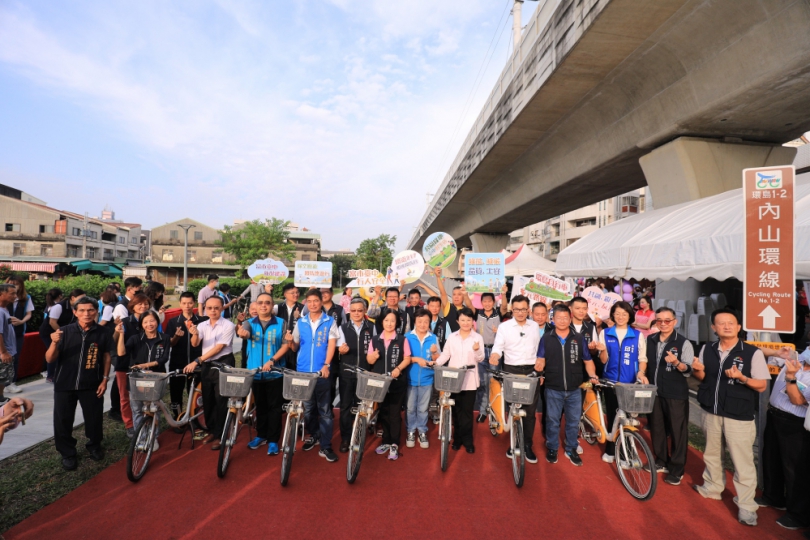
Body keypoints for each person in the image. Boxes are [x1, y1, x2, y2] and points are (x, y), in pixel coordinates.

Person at [691, 308, 770, 527]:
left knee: (742, 461)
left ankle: (746, 506)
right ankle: (712, 487)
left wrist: (742, 377)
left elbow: (761, 385)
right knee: (712, 453)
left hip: (739, 415)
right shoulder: (707, 348)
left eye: (731, 323)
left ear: (738, 327)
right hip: (711, 410)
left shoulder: (752, 352)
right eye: (721, 323)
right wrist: (697, 369)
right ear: (713, 327)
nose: (726, 326)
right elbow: (703, 377)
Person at [45, 296, 113, 471]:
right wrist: (54, 342)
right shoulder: (64, 332)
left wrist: (105, 379)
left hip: (91, 383)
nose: (86, 314)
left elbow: (106, 356)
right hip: (64, 384)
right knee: (63, 420)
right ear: (75, 312)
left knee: (94, 418)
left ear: (96, 311)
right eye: (81, 310)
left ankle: (94, 446)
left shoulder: (103, 332)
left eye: (90, 310)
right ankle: (67, 453)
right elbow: (50, 359)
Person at [536, 304, 598, 466]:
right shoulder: (546, 338)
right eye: (559, 318)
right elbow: (541, 359)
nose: (562, 321)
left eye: (565, 318)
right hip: (552, 387)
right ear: (553, 319)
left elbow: (588, 361)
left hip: (575, 388)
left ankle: (571, 448)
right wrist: (539, 368)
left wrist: (592, 375)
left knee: (573, 421)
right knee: (552, 420)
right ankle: (552, 447)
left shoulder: (579, 338)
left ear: (570, 319)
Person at [756, 348, 810, 530]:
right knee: (771, 458)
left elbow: (797, 400)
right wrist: (776, 352)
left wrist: (791, 377)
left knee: (794, 469)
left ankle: (797, 515)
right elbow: (757, 352)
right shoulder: (795, 359)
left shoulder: (794, 370)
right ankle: (773, 496)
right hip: (774, 415)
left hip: (796, 424)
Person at [489, 295, 542, 463]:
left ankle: (527, 445)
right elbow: (498, 346)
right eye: (517, 309)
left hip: (531, 371)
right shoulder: (504, 327)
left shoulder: (534, 326)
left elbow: (539, 349)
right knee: (513, 408)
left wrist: (541, 372)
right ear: (512, 309)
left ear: (528, 310)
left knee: (530, 411)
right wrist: (495, 356)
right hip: (511, 370)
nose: (520, 312)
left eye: (523, 309)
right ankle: (514, 443)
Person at [593, 301, 648, 462]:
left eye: (624, 314)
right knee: (612, 415)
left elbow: (642, 358)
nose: (621, 317)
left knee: (628, 418)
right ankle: (611, 450)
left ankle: (627, 452)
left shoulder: (637, 335)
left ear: (630, 316)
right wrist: (603, 350)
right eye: (617, 313)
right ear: (612, 315)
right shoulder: (605, 333)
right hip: (610, 382)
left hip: (630, 383)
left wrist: (641, 373)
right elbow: (603, 360)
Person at [289, 289, 340, 462]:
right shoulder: (301, 322)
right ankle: (315, 434)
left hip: (321, 372)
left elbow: (331, 345)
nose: (312, 304)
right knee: (309, 409)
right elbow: (295, 346)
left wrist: (326, 364)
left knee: (325, 410)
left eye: (315, 301)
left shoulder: (329, 321)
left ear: (321, 302)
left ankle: (326, 446)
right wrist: (290, 341)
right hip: (303, 372)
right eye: (309, 301)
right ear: (306, 303)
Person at [646, 306, 694, 486]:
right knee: (657, 427)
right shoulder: (650, 339)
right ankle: (661, 460)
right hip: (654, 392)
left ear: (675, 322)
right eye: (659, 320)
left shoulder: (683, 342)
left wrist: (677, 363)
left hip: (675, 394)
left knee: (677, 431)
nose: (663, 324)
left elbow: (688, 370)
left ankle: (676, 469)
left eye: (667, 320)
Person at [238, 292, 289, 455]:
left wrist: (272, 360)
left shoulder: (281, 323)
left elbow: (286, 345)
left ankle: (273, 440)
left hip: (275, 374)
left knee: (275, 408)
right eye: (260, 303)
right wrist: (243, 334)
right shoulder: (249, 323)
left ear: (272, 305)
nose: (263, 305)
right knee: (260, 407)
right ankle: (261, 435)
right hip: (256, 373)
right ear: (256, 305)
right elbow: (244, 332)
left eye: (267, 302)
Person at [183, 295, 236, 451]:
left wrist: (197, 361)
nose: (213, 311)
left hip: (223, 363)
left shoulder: (228, 325)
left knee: (221, 400)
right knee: (208, 399)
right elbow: (195, 344)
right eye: (209, 308)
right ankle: (212, 430)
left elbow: (219, 348)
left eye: (216, 308)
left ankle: (221, 434)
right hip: (207, 364)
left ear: (222, 308)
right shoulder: (202, 325)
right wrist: (194, 333)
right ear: (205, 308)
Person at [116, 311, 171, 451]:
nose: (149, 324)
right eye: (145, 322)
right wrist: (121, 334)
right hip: (137, 380)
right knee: (137, 410)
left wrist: (145, 365)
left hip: (156, 379)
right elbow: (121, 353)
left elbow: (163, 359)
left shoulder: (164, 338)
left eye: (152, 321)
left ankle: (153, 437)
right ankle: (141, 437)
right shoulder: (135, 339)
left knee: (154, 409)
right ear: (141, 324)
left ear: (157, 321)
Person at [435, 307, 484, 453]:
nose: (466, 322)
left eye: (468, 320)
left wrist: (477, 350)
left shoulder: (477, 338)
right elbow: (446, 354)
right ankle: (457, 439)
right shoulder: (452, 337)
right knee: (455, 411)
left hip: (470, 380)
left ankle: (468, 440)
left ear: (472, 321)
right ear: (457, 321)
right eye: (463, 320)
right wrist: (435, 363)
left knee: (467, 412)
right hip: (453, 380)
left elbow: (481, 358)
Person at [367, 311, 411, 461]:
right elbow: (369, 360)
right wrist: (373, 357)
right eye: (386, 320)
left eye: (392, 321)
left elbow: (407, 358)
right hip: (380, 382)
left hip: (397, 383)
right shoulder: (375, 339)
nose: (389, 323)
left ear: (397, 323)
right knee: (383, 412)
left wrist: (398, 369)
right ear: (382, 322)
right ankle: (386, 441)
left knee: (394, 413)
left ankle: (394, 443)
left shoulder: (402, 339)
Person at [336, 297, 375, 453]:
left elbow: (375, 348)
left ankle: (358, 435)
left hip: (365, 373)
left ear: (365, 311)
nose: (357, 313)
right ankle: (346, 438)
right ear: (349, 311)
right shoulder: (342, 328)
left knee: (362, 406)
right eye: (353, 310)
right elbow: (339, 347)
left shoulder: (372, 327)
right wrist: (341, 350)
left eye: (360, 310)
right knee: (345, 406)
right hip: (346, 372)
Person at [112, 293, 151, 437]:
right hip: (125, 364)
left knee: (145, 395)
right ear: (132, 306)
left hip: (144, 365)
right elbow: (115, 340)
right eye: (139, 304)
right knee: (125, 396)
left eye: (146, 304)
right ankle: (130, 425)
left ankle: (145, 422)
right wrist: (117, 331)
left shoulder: (151, 321)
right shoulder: (125, 322)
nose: (143, 306)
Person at [166, 292, 208, 420]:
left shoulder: (202, 321)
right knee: (176, 392)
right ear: (180, 304)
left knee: (195, 392)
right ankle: (178, 418)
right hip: (177, 362)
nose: (187, 306)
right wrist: (176, 337)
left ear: (194, 303)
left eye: (190, 303)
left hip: (196, 362)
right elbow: (170, 344)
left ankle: (194, 418)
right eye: (184, 303)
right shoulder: (173, 322)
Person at [404, 308, 440, 450]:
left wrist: (434, 354)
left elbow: (438, 359)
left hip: (427, 379)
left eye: (426, 322)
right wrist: (416, 359)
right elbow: (404, 358)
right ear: (415, 322)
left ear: (430, 323)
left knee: (423, 408)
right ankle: (410, 431)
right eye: (420, 321)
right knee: (410, 408)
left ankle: (422, 431)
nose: (422, 324)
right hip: (410, 378)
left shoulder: (433, 338)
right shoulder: (407, 337)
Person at [475, 291, 508, 423]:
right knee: (482, 382)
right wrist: (465, 294)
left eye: (490, 301)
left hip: (495, 351)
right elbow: (468, 304)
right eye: (485, 301)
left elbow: (504, 306)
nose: (487, 303)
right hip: (481, 351)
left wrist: (504, 294)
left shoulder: (498, 313)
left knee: (493, 381)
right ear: (481, 302)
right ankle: (483, 410)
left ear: (493, 302)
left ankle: (494, 412)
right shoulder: (478, 313)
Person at [5, 276, 33, 395]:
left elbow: (29, 313)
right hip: (4, 333)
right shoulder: (3, 298)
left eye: (16, 284)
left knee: (15, 358)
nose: (14, 286)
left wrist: (21, 321)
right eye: (11, 283)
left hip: (18, 332)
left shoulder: (26, 298)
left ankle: (11, 382)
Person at [435, 267, 473, 332]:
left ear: (463, 296)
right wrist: (438, 277)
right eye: (454, 294)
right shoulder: (448, 307)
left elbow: (470, 306)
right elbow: (443, 293)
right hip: (449, 337)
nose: (456, 297)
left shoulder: (466, 310)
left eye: (459, 294)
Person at [275, 283, 303, 370]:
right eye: (292, 293)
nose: (296, 294)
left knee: (293, 370)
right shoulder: (278, 307)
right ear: (285, 294)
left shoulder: (303, 308)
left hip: (295, 345)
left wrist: (299, 317)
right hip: (280, 345)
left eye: (297, 292)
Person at [38, 287, 64, 383]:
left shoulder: (51, 305)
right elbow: (52, 322)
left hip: (49, 331)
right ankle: (50, 375)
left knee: (52, 351)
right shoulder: (57, 306)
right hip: (47, 332)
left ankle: (51, 373)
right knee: (53, 352)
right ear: (60, 296)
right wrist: (62, 333)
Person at [0, 284, 18, 403]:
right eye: (12, 293)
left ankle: (0, 398)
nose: (15, 296)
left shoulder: (4, 309)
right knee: (1, 376)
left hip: (9, 350)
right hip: (3, 352)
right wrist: (3, 352)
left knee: (4, 378)